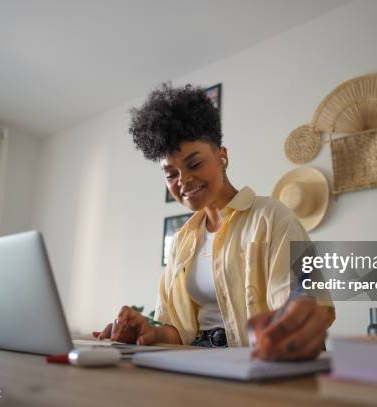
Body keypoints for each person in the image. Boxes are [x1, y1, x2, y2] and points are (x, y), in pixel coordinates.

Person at [93, 83, 334, 361]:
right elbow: (178, 331)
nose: (182, 180)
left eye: (194, 164)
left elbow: (298, 314)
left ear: (222, 156)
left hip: (258, 363)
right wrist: (148, 332)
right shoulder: (182, 240)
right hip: (197, 359)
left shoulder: (272, 217)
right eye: (171, 174)